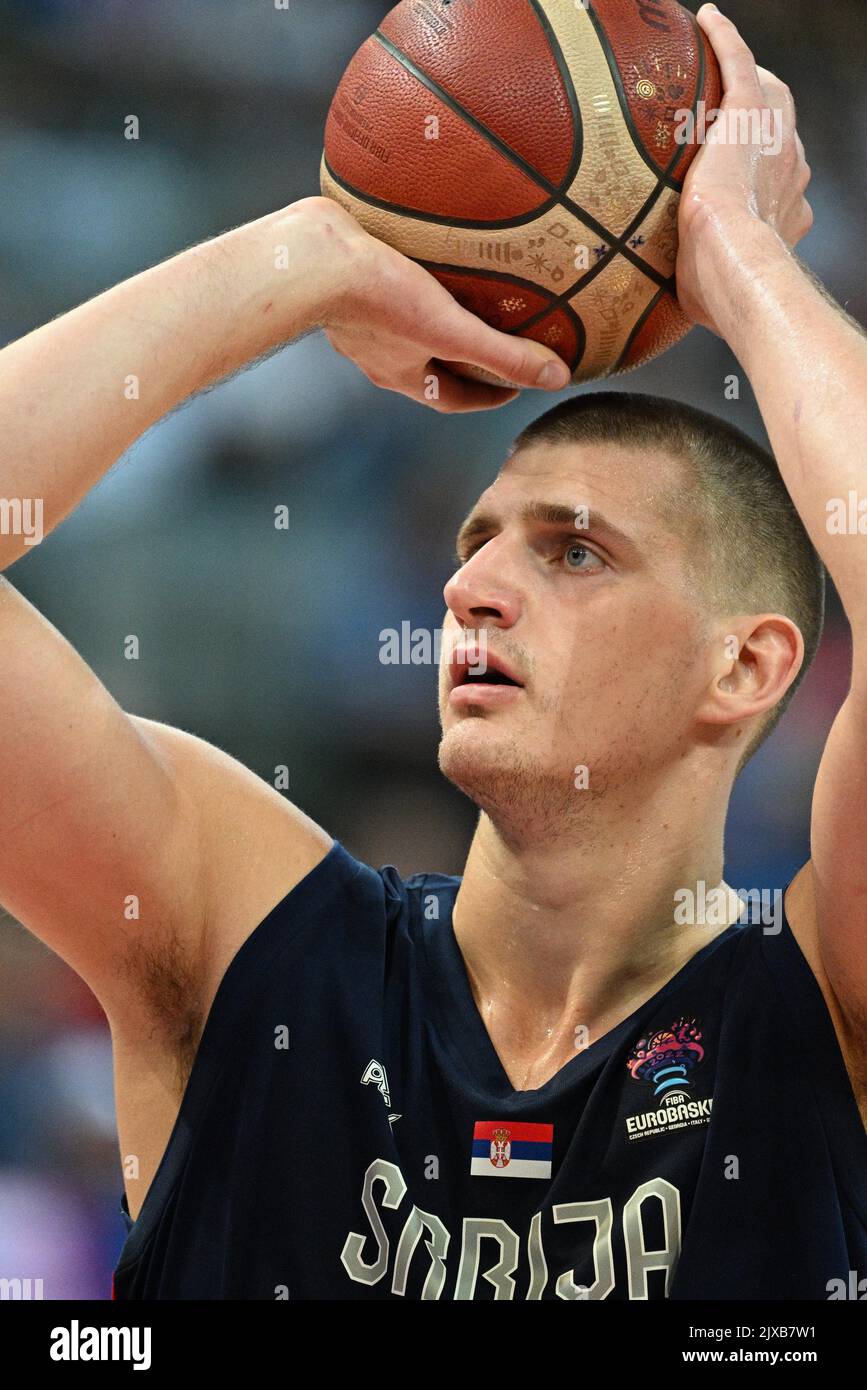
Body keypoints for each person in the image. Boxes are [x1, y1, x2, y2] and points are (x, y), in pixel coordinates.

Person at [0, 7, 864, 1299]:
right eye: (475, 541)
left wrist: (736, 256)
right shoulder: (249, 938)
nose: (472, 586)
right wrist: (314, 256)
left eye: (573, 550)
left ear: (745, 667)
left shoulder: (824, 1012)